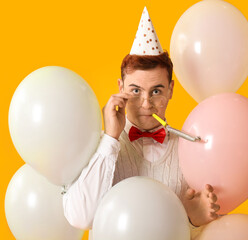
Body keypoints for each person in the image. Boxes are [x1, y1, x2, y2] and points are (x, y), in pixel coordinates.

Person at [62, 6, 220, 237]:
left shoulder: (192, 151)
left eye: (156, 91)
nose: (146, 104)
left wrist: (192, 221)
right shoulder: (97, 146)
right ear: (120, 88)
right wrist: (110, 138)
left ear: (171, 90)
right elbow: (80, 216)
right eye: (135, 91)